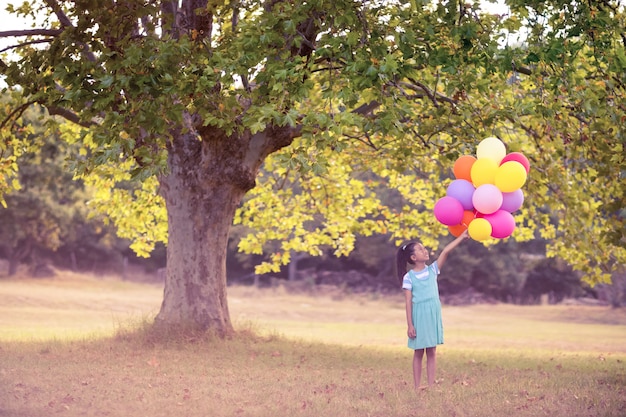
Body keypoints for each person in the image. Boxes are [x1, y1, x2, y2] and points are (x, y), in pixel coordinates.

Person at [397, 230, 468, 390]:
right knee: (418, 352)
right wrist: (410, 325)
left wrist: (461, 237)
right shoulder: (409, 277)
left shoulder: (432, 270)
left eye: (424, 248)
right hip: (419, 315)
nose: (425, 250)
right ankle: (417, 387)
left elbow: (446, 251)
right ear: (414, 258)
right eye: (421, 249)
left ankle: (430, 386)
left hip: (433, 313)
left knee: (432, 351)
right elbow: (408, 302)